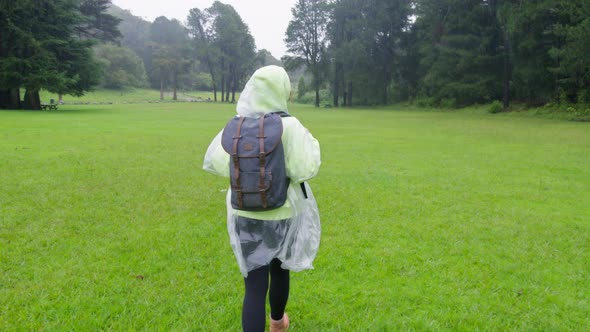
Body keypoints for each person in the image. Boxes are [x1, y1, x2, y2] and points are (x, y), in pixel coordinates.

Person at [203, 65, 321, 332]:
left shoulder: (237, 126)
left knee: (254, 286)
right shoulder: (290, 126)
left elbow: (216, 162)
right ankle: (278, 322)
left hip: (244, 214)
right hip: (283, 213)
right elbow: (307, 169)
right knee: (280, 270)